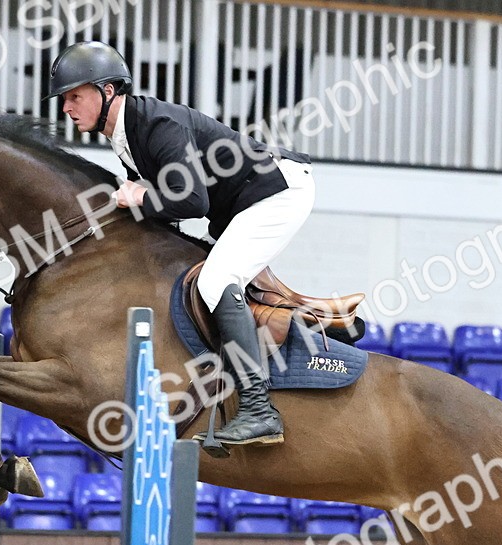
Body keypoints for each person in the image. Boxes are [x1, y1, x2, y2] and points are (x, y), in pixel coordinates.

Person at [45, 40, 315, 456]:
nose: (66, 107)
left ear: (108, 91)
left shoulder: (158, 125)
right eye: (65, 99)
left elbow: (191, 203)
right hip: (241, 202)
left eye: (74, 96)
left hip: (277, 191)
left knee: (216, 280)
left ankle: (260, 410)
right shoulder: (126, 138)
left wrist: (139, 198)